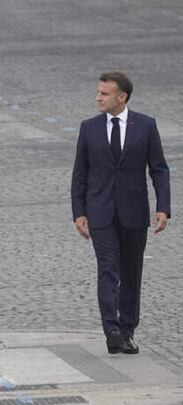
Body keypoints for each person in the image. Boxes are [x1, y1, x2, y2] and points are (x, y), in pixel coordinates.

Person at [71, 71, 171, 355]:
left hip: (134, 213)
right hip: (100, 213)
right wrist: (78, 211)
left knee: (131, 273)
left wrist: (163, 207)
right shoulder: (88, 128)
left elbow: (159, 169)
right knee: (108, 269)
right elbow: (80, 173)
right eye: (98, 92)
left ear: (121, 97)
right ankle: (111, 330)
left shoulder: (146, 126)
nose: (97, 97)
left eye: (104, 93)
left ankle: (127, 332)